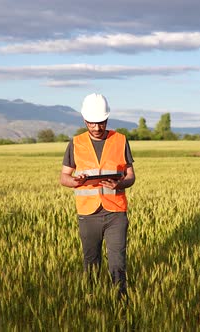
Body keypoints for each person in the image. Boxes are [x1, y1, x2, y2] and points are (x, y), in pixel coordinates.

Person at [60, 93, 135, 299]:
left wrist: (121, 183)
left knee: (118, 260)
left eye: (101, 122)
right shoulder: (75, 143)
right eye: (92, 123)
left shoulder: (120, 140)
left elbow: (130, 175)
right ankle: (91, 299)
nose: (96, 127)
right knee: (91, 261)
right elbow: (64, 177)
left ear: (107, 119)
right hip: (88, 212)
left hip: (116, 212)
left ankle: (120, 300)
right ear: (85, 120)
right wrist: (75, 181)